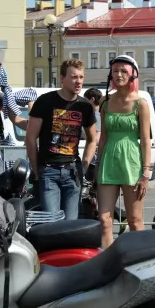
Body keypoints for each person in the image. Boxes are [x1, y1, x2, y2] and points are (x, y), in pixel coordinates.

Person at [25, 58, 97, 220]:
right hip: (49, 171)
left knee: (70, 225)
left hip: (73, 171)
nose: (78, 81)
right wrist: (37, 170)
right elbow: (30, 139)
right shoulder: (45, 101)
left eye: (81, 77)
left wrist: (84, 166)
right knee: (52, 223)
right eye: (73, 77)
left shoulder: (85, 106)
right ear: (62, 78)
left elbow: (93, 139)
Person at [96, 55, 151, 249]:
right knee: (104, 220)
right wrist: (96, 164)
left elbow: (145, 140)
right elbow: (102, 137)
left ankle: (140, 262)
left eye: (123, 71)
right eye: (115, 70)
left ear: (132, 75)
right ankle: (106, 265)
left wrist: (146, 173)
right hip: (108, 162)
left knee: (135, 220)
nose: (118, 74)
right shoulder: (105, 101)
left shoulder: (141, 103)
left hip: (132, 162)